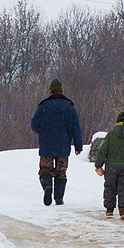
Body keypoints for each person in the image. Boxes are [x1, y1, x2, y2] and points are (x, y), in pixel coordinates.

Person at [30, 78, 83, 206]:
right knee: (61, 172)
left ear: (50, 91)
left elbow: (34, 125)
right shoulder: (70, 108)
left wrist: (44, 131)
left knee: (44, 170)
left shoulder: (43, 107)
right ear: (62, 91)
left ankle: (47, 187)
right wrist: (78, 146)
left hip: (47, 145)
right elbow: (76, 128)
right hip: (63, 146)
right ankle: (59, 198)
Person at [93, 111, 124, 219]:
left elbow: (103, 150)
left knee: (110, 187)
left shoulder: (111, 134)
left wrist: (98, 164)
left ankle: (109, 210)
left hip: (111, 165)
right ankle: (123, 211)